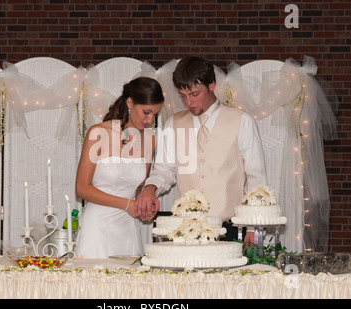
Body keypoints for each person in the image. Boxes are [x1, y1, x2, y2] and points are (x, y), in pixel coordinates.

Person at [135, 56, 267, 241]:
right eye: (183, 95)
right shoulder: (174, 123)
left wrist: (254, 227)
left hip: (230, 229)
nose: (189, 102)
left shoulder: (242, 121)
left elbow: (257, 179)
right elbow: (164, 170)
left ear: (211, 85)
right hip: (184, 231)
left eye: (195, 94)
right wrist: (150, 187)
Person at [75, 77, 164, 258]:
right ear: (130, 102)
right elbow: (82, 189)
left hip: (128, 228)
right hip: (98, 227)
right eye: (146, 112)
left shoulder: (150, 139)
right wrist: (127, 205)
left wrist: (145, 200)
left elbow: (140, 185)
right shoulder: (98, 133)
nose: (150, 119)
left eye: (155, 114)